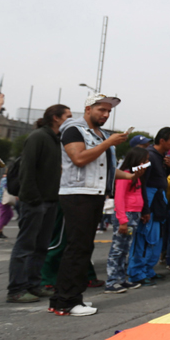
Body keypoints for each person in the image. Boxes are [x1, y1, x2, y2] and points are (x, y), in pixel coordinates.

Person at [49, 94, 132, 316]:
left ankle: (62, 298)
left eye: (108, 112)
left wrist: (130, 176)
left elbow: (105, 169)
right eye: (101, 110)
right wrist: (108, 143)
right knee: (78, 248)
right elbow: (79, 158)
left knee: (82, 247)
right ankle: (67, 301)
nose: (105, 115)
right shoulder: (74, 129)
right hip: (78, 193)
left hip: (93, 194)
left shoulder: (100, 134)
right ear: (88, 109)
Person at [6, 105, 71, 303]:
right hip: (36, 201)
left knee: (41, 247)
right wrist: (33, 198)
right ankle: (16, 289)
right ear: (56, 118)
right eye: (67, 116)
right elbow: (27, 168)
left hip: (50, 200)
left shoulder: (55, 139)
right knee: (25, 246)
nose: (69, 119)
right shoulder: (38, 137)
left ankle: (34, 285)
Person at [129, 127, 170, 285]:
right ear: (162, 141)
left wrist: (168, 167)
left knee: (155, 238)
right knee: (145, 237)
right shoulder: (149, 156)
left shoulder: (161, 157)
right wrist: (145, 209)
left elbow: (160, 178)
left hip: (158, 200)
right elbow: (142, 182)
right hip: (150, 200)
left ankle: (148, 269)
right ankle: (137, 272)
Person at [106, 148, 148, 294]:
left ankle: (121, 279)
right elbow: (119, 199)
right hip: (126, 216)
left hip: (134, 214)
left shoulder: (136, 176)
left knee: (125, 249)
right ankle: (112, 281)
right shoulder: (125, 175)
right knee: (118, 249)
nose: (147, 163)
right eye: (145, 160)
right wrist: (122, 220)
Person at [0, 173, 14, 240]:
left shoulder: (4, 179)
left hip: (1, 200)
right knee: (4, 216)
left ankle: (0, 230)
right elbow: (9, 188)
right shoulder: (7, 179)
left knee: (9, 214)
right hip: (3, 200)